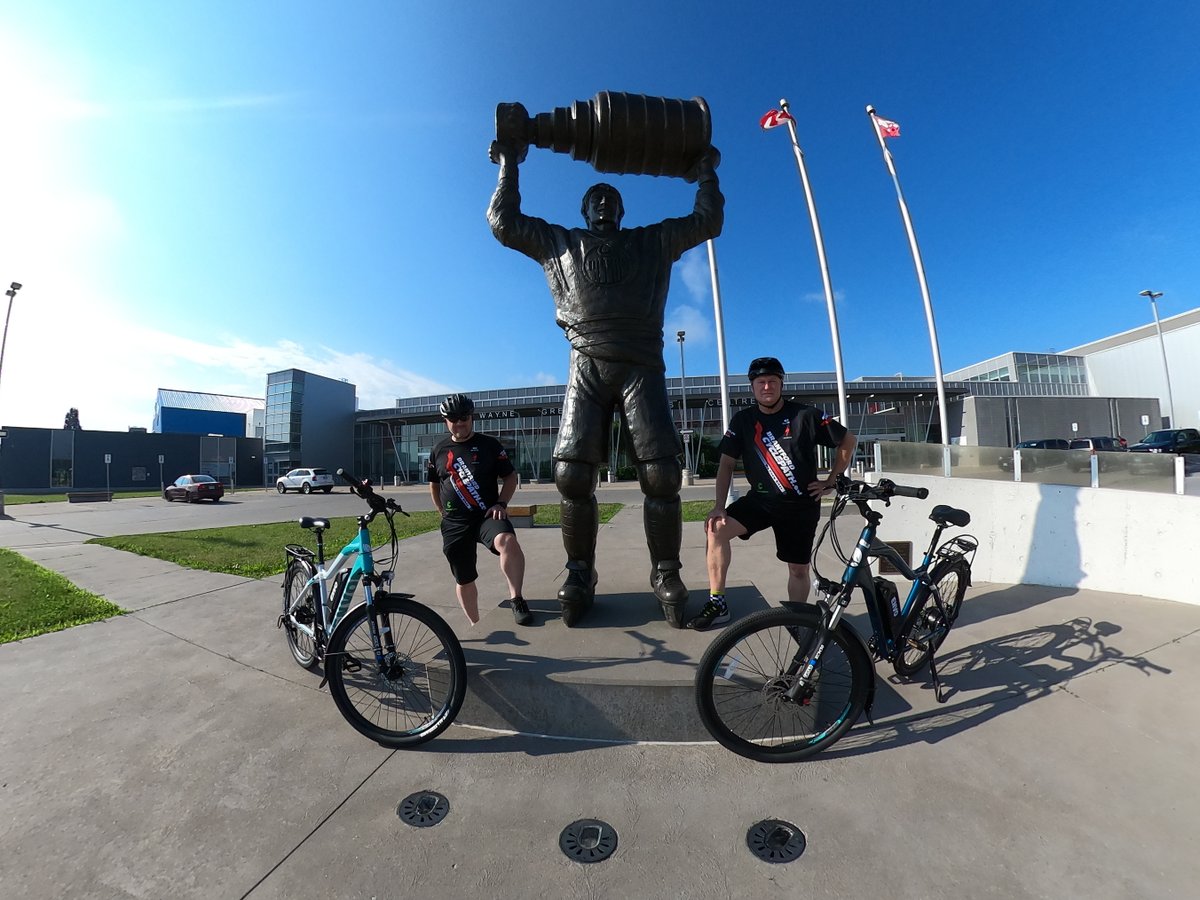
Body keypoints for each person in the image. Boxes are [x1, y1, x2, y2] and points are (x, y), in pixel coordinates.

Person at [487, 135, 723, 628]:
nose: (603, 203)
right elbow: (504, 223)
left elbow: (707, 221)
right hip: (587, 364)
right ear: (583, 210)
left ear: (622, 210)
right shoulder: (560, 243)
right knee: (572, 477)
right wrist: (509, 164)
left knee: (662, 477)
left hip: (641, 364)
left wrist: (705, 172)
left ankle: (665, 570)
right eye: (595, 198)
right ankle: (580, 571)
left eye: (611, 198)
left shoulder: (651, 241)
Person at [689, 357, 857, 631]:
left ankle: (796, 620)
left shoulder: (805, 415)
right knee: (716, 528)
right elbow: (726, 464)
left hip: (800, 506)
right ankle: (718, 603)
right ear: (752, 387)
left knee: (798, 569)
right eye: (761, 382)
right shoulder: (743, 420)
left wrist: (831, 481)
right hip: (761, 501)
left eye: (772, 381)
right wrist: (719, 505)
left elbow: (848, 440)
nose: (766, 386)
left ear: (781, 384)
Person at [427, 393, 532, 627]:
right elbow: (434, 484)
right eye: (453, 419)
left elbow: (510, 477)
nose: (459, 423)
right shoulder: (439, 449)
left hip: (487, 515)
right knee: (463, 577)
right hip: (455, 521)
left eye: (464, 418)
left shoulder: (489, 445)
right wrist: (441, 511)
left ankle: (517, 599)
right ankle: (476, 625)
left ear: (471, 417)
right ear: (445, 421)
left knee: (508, 542)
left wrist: (501, 503)